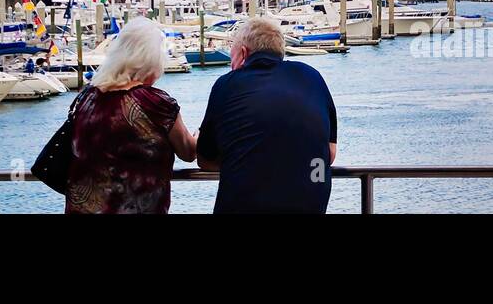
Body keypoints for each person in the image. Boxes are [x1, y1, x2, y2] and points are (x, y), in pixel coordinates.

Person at [196, 16, 338, 214]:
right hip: (311, 204)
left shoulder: (227, 84)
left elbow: (205, 159)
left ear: (243, 53)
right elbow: (329, 153)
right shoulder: (312, 77)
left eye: (232, 56)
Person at [66, 17, 196, 214]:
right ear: (152, 61)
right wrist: (204, 131)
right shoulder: (155, 103)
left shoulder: (86, 98)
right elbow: (188, 151)